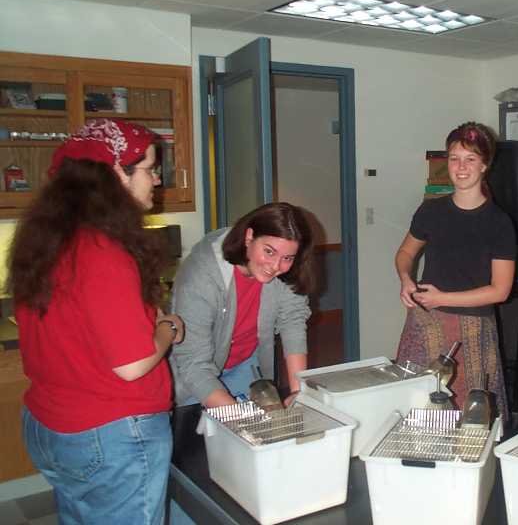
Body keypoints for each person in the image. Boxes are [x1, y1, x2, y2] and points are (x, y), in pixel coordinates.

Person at [11, 119, 184, 525]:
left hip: (51, 425)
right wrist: (168, 329)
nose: (157, 180)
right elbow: (133, 364)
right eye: (149, 169)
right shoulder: (103, 250)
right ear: (114, 173)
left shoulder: (47, 240)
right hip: (110, 433)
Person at [395, 121, 516, 419]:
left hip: (472, 330)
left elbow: (500, 290)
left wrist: (442, 298)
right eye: (454, 158)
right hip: (425, 322)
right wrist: (406, 278)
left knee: (468, 417)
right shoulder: (431, 210)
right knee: (418, 407)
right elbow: (405, 252)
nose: (461, 167)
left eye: (470, 159)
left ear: (485, 165)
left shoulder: (498, 222)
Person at [169, 202, 315, 408]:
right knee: (212, 434)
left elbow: (292, 320)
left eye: (287, 258)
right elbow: (194, 365)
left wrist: (298, 391)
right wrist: (240, 419)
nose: (275, 267)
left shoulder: (287, 271)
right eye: (269, 252)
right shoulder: (202, 273)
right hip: (199, 372)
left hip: (246, 363)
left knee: (256, 434)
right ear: (249, 237)